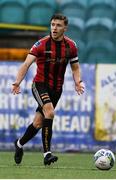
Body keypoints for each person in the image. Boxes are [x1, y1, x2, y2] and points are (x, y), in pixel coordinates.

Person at [12, 13, 85, 166]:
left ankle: (18, 144)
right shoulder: (41, 44)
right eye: (52, 25)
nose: (54, 28)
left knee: (38, 123)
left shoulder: (71, 46)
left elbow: (75, 67)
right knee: (50, 112)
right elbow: (26, 64)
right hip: (39, 85)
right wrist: (17, 82)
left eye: (58, 25)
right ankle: (47, 154)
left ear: (65, 28)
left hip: (57, 89)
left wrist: (78, 82)